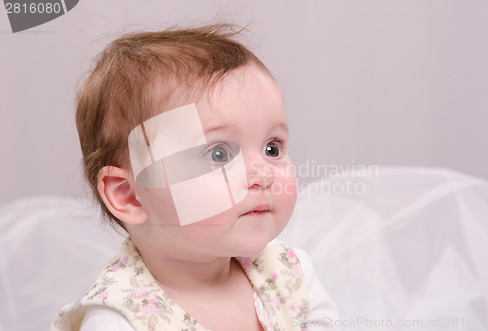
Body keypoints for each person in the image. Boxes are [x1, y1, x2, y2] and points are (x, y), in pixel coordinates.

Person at [51, 24, 338, 330]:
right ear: (130, 195)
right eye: (219, 154)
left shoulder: (290, 274)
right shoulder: (120, 320)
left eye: (272, 147)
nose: (262, 174)